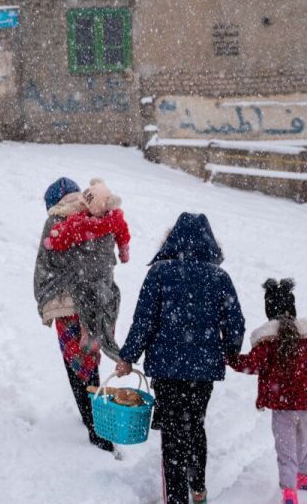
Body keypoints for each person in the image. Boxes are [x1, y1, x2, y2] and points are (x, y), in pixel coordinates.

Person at [116, 212, 245, 504]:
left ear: (172, 240)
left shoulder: (160, 273)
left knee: (173, 433)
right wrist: (230, 350)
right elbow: (235, 323)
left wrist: (128, 357)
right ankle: (198, 487)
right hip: (203, 369)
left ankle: (176, 498)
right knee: (195, 425)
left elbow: (143, 321)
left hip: (167, 369)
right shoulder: (219, 277)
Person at [227, 278, 307, 504]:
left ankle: (289, 491)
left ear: (268, 311)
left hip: (282, 404)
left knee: (285, 448)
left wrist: (228, 358)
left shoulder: (267, 339)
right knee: (304, 440)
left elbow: (251, 364)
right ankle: (304, 476)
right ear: (293, 308)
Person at [33, 177, 129, 454]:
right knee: (90, 358)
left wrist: (48, 297)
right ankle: (94, 416)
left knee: (77, 363)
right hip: (98, 300)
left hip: (68, 304)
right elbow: (108, 257)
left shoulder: (57, 221)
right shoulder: (101, 213)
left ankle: (96, 427)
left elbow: (46, 261)